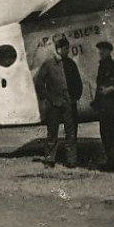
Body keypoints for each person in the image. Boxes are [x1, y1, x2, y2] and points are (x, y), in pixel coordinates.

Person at [34, 35, 83, 169]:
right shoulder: (48, 64)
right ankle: (50, 159)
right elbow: (39, 84)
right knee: (52, 132)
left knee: (71, 132)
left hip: (68, 102)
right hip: (54, 104)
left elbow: (78, 82)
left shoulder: (70, 64)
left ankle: (71, 161)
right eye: (65, 48)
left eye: (68, 48)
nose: (68, 51)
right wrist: (49, 98)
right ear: (59, 49)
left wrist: (75, 97)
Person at [92, 41, 114, 172]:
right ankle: (110, 162)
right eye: (100, 50)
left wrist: (111, 88)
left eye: (103, 50)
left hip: (112, 106)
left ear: (109, 51)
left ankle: (113, 164)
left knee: (111, 134)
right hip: (104, 106)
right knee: (105, 134)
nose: (101, 52)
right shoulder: (102, 66)